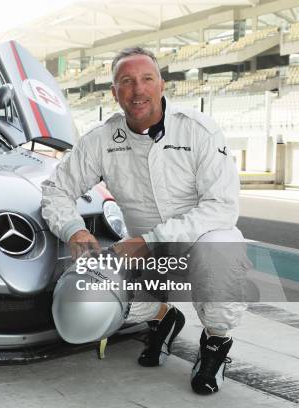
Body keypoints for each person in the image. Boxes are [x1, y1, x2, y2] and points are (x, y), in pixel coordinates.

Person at [41, 47, 249, 395]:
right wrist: (73, 229)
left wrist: (151, 238)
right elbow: (55, 190)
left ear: (161, 85)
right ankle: (163, 317)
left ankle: (215, 344)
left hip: (202, 241)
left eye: (146, 79)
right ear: (114, 92)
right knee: (90, 292)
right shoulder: (102, 140)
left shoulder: (199, 130)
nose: (138, 90)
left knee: (221, 258)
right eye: (127, 81)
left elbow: (222, 207)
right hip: (145, 254)